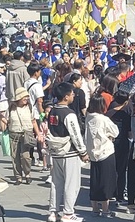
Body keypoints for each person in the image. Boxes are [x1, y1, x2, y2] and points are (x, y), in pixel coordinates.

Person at [47, 82, 89, 222]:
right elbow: (75, 135)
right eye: (71, 94)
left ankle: (53, 211)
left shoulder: (52, 111)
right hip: (69, 151)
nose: (73, 96)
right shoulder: (68, 113)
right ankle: (68, 213)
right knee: (72, 184)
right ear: (66, 97)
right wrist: (83, 152)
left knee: (56, 183)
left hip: (55, 150)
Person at [84, 94, 118, 218]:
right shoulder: (103, 119)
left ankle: (95, 208)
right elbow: (115, 131)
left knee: (95, 181)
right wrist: (109, 136)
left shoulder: (88, 117)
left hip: (93, 153)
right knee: (106, 181)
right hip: (105, 152)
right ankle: (105, 209)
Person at [7, 87, 41, 185]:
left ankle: (27, 173)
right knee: (15, 157)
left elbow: (34, 121)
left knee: (25, 156)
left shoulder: (30, 108)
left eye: (27, 97)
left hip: (26, 134)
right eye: (24, 97)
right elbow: (7, 120)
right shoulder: (11, 108)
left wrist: (38, 134)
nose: (26, 99)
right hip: (14, 134)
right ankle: (18, 177)